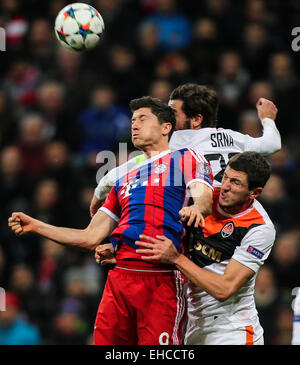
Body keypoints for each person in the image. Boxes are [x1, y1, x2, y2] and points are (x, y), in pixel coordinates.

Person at [8, 96, 214, 345]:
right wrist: (36, 226)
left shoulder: (185, 157)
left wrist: (198, 209)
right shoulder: (124, 180)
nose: (134, 125)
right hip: (118, 280)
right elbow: (89, 237)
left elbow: (203, 195)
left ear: (166, 127)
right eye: (132, 120)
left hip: (161, 277)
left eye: (142, 118)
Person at [135, 151, 276, 345]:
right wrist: (121, 251)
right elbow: (160, 233)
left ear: (254, 192)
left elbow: (225, 289)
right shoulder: (206, 196)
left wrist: (176, 258)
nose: (225, 186)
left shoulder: (259, 227)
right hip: (192, 325)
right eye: (225, 177)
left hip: (232, 330)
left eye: (236, 182)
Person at [90, 83, 280, 216]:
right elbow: (272, 144)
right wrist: (267, 119)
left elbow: (138, 164)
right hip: (228, 223)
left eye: (173, 113)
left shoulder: (179, 141)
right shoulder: (233, 137)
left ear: (196, 120)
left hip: (195, 222)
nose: (167, 117)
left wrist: (101, 189)